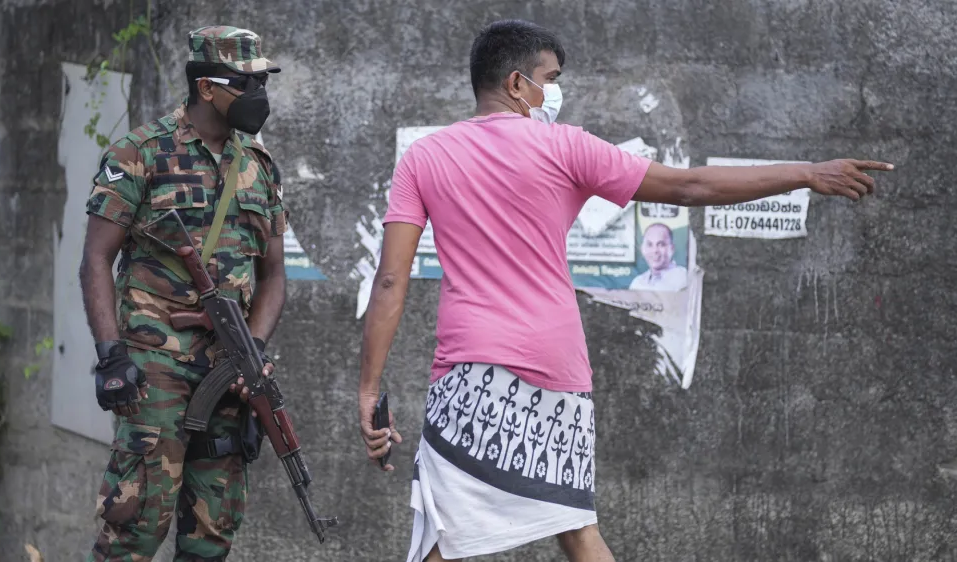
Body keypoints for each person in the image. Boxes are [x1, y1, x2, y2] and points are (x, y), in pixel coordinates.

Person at [356, 18, 892, 562]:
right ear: (517, 84)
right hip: (559, 367)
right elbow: (690, 185)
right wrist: (804, 172)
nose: (555, 91)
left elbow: (392, 279)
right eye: (551, 77)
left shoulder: (424, 157)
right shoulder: (567, 147)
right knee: (575, 526)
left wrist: (369, 390)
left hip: (470, 369)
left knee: (442, 533)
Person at [79, 26, 287, 561]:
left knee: (212, 536)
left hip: (229, 375)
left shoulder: (260, 168)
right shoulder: (140, 153)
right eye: (248, 82)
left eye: (262, 82)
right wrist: (111, 354)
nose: (260, 95)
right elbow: (96, 259)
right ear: (209, 88)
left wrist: (254, 350)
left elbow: (274, 277)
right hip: (155, 372)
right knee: (134, 528)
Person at [629, 223, 688, 291]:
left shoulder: (684, 278)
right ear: (642, 249)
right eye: (649, 244)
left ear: (672, 248)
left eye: (661, 244)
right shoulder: (637, 283)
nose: (655, 250)